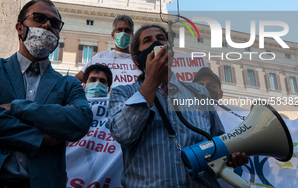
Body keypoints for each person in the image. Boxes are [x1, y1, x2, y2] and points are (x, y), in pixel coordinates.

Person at [108, 24, 247, 188]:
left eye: (161, 39)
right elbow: (123, 134)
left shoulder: (199, 92)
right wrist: (151, 82)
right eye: (148, 40)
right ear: (136, 59)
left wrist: (231, 156)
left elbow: (219, 140)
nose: (156, 43)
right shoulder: (123, 93)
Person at [0, 0, 93, 188]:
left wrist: (15, 107)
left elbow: (81, 121)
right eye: (39, 18)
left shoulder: (68, 83)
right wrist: (38, 137)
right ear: (19, 27)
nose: (47, 25)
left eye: (54, 23)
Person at [66, 64, 123, 188]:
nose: (97, 83)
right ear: (84, 86)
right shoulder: (69, 107)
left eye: (102, 81)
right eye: (93, 80)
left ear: (108, 89)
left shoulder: (119, 109)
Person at [75, 15, 134, 82]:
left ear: (132, 35)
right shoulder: (100, 57)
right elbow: (76, 80)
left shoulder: (138, 61)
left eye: (127, 30)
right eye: (119, 30)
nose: (123, 33)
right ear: (113, 35)